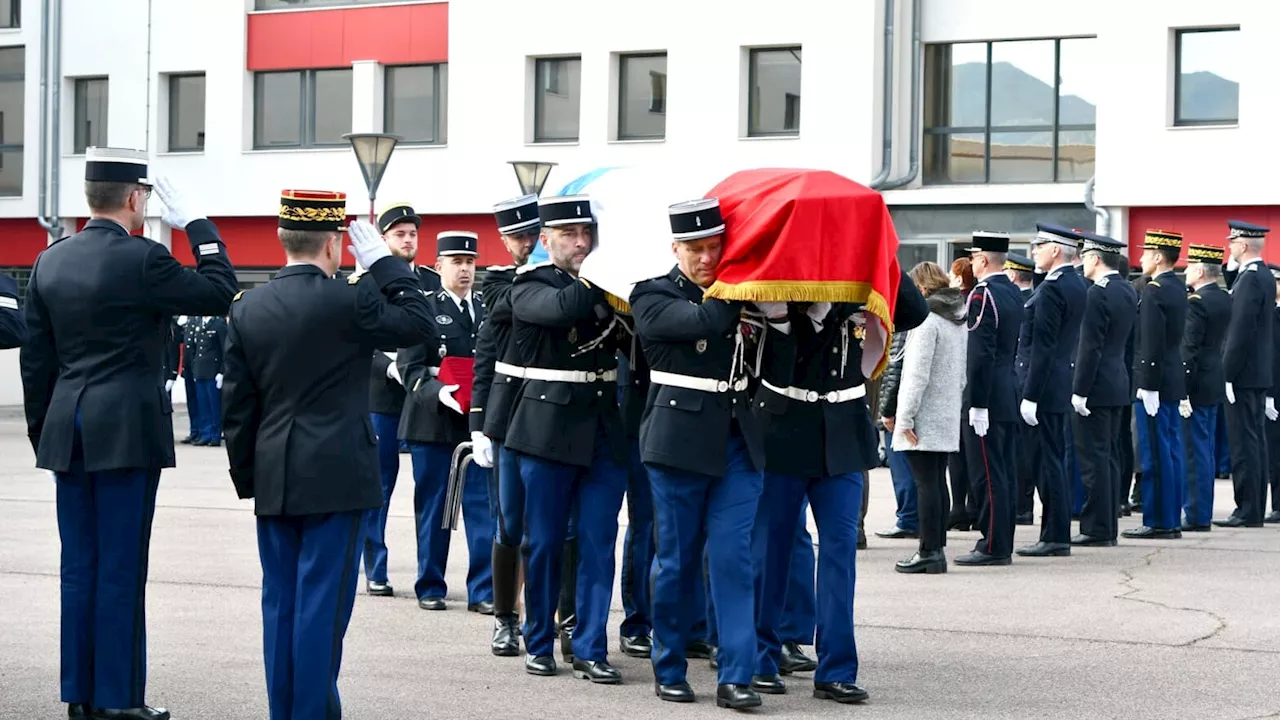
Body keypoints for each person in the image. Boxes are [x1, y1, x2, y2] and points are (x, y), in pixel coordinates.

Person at [20, 148, 237, 720]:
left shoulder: (50, 261)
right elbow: (220, 290)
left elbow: (37, 363)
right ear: (137, 198)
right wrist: (197, 224)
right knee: (119, 567)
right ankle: (116, 700)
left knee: (79, 567)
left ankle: (81, 696)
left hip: (69, 431)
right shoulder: (145, 259)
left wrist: (46, 431)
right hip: (125, 434)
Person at [222, 192, 434, 720]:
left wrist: (251, 478)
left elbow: (237, 406)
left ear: (283, 240)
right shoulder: (351, 300)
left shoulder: (247, 306)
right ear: (335, 244)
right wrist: (385, 264)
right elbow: (419, 324)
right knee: (321, 609)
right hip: (337, 475)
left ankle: (288, 711)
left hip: (275, 474)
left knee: (281, 605)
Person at [630, 197, 795, 708]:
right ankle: (670, 663)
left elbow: (780, 371)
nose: (706, 257)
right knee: (676, 562)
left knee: (734, 558)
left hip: (737, 442)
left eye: (715, 248)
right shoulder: (651, 295)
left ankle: (736, 674)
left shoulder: (740, 300)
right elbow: (701, 323)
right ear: (675, 247)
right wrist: (744, 282)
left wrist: (786, 319)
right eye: (696, 248)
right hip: (677, 443)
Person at [753, 250, 927, 702]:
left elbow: (914, 309)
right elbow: (779, 358)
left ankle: (836, 668)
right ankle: (761, 657)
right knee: (771, 552)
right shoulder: (782, 289)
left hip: (844, 439)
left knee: (839, 557)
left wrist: (875, 248)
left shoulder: (859, 289)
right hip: (787, 434)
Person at [504, 194, 628, 682]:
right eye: (570, 235)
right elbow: (562, 308)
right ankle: (539, 640)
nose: (581, 243)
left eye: (587, 234)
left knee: (599, 543)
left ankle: (591, 646)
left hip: (602, 427)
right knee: (546, 542)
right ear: (546, 239)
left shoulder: (610, 286)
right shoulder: (529, 285)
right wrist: (604, 267)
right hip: (546, 430)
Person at [396, 231, 495, 612]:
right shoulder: (422, 309)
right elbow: (410, 369)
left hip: (476, 425)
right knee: (435, 507)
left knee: (482, 508)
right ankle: (430, 584)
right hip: (433, 423)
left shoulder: (487, 309)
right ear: (438, 267)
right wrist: (439, 391)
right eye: (456, 262)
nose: (465, 269)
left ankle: (484, 591)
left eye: (470, 262)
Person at [468, 193, 541, 655]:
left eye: (533, 233)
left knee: (554, 526)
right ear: (504, 240)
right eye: (517, 236)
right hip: (509, 414)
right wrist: (478, 422)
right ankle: (505, 617)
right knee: (509, 523)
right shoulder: (498, 283)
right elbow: (486, 357)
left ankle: (554, 615)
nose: (527, 243)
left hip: (555, 414)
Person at [361, 203, 425, 597]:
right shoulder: (368, 284)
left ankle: (428, 574)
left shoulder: (430, 282)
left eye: (412, 234)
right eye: (399, 234)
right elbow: (357, 337)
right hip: (382, 397)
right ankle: (376, 566)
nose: (407, 240)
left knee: (430, 487)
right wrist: (388, 366)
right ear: (383, 240)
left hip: (423, 398)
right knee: (379, 485)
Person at [1016, 224, 1086, 558]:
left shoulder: (1053, 289)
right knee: (1054, 459)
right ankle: (1055, 533)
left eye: (1039, 246)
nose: (1034, 252)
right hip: (1058, 381)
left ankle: (1055, 535)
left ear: (1056, 250)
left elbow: (1042, 348)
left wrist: (1029, 395)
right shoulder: (1074, 283)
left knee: (1048, 463)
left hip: (1044, 385)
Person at [893, 261, 967, 574]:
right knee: (937, 481)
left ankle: (929, 551)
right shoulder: (956, 318)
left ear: (921, 288)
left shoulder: (926, 321)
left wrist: (904, 418)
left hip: (923, 413)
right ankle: (937, 546)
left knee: (925, 484)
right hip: (947, 409)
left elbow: (915, 375)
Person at [956, 231, 1025, 566]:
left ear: (983, 260)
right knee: (1003, 471)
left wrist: (977, 403)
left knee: (987, 472)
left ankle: (993, 544)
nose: (971, 262)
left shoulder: (982, 296)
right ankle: (1001, 540)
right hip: (1007, 390)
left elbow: (980, 355)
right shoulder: (1011, 290)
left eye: (973, 257)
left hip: (989, 396)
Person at [1068, 232, 1138, 546]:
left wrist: (1079, 390)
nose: (1083, 261)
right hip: (1117, 381)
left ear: (1096, 259)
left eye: (1085, 256)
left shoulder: (1097, 293)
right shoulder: (1125, 289)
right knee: (1109, 457)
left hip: (1096, 384)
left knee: (1093, 459)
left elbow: (1089, 347)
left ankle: (1096, 528)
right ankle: (1107, 525)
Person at [1125, 229, 1189, 540]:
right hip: (1172, 377)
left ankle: (1158, 520)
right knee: (1172, 451)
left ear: (1158, 257)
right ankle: (1171, 518)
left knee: (1154, 454)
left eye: (1145, 253)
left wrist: (1147, 384)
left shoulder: (1152, 290)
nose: (1140, 259)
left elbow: (1150, 341)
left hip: (1155, 381)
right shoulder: (1177, 287)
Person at [1215, 220, 1275, 528]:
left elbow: (1239, 331)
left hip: (1243, 373)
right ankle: (1252, 507)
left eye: (1232, 243)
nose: (1229, 246)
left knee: (1244, 444)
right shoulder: (1258, 275)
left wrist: (1226, 373)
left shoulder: (1251, 279)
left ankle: (1247, 509)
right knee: (1254, 442)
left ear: (1242, 245)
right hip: (1255, 371)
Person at [1179, 244, 1231, 532]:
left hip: (1197, 382)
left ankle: (1197, 514)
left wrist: (1182, 389)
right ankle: (1202, 510)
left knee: (1194, 449)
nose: (1186, 271)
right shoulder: (1223, 298)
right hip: (1213, 378)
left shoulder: (1197, 302)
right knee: (1205, 447)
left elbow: (1189, 350)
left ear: (1200, 271)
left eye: (1189, 267)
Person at [875, 329, 920, 540]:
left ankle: (908, 519)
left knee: (902, 467)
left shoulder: (904, 323)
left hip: (903, 404)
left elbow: (894, 367)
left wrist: (887, 410)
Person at [1004, 253, 1037, 525]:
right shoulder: (1028, 301)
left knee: (1022, 451)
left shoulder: (1023, 304)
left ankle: (1022, 506)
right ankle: (1022, 505)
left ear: (1013, 275)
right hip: (1022, 379)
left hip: (1020, 380)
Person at [189, 314, 226, 446]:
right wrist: (194, 370)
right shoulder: (199, 324)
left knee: (214, 406)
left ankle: (215, 435)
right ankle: (205, 434)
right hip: (200, 371)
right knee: (203, 405)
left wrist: (222, 371)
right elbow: (195, 349)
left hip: (213, 372)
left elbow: (224, 349)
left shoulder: (218, 324)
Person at [176, 316, 203, 444]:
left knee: (201, 402)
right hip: (189, 367)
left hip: (198, 367)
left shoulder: (199, 322)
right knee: (192, 402)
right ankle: (195, 430)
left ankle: (203, 431)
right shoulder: (189, 322)